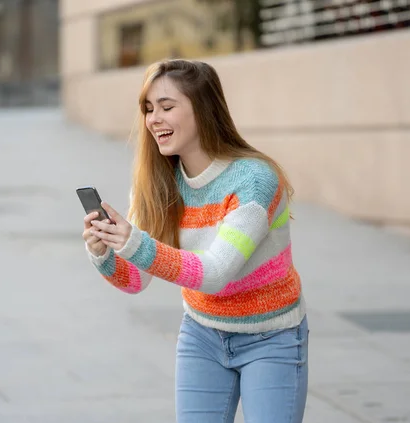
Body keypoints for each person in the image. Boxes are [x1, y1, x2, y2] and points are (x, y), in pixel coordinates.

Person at [82, 59, 308, 423]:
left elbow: (216, 272)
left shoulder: (254, 181)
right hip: (202, 335)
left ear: (203, 110)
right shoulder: (159, 184)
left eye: (167, 107)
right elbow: (135, 279)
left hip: (271, 337)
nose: (154, 119)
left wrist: (134, 242)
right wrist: (105, 253)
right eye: (148, 109)